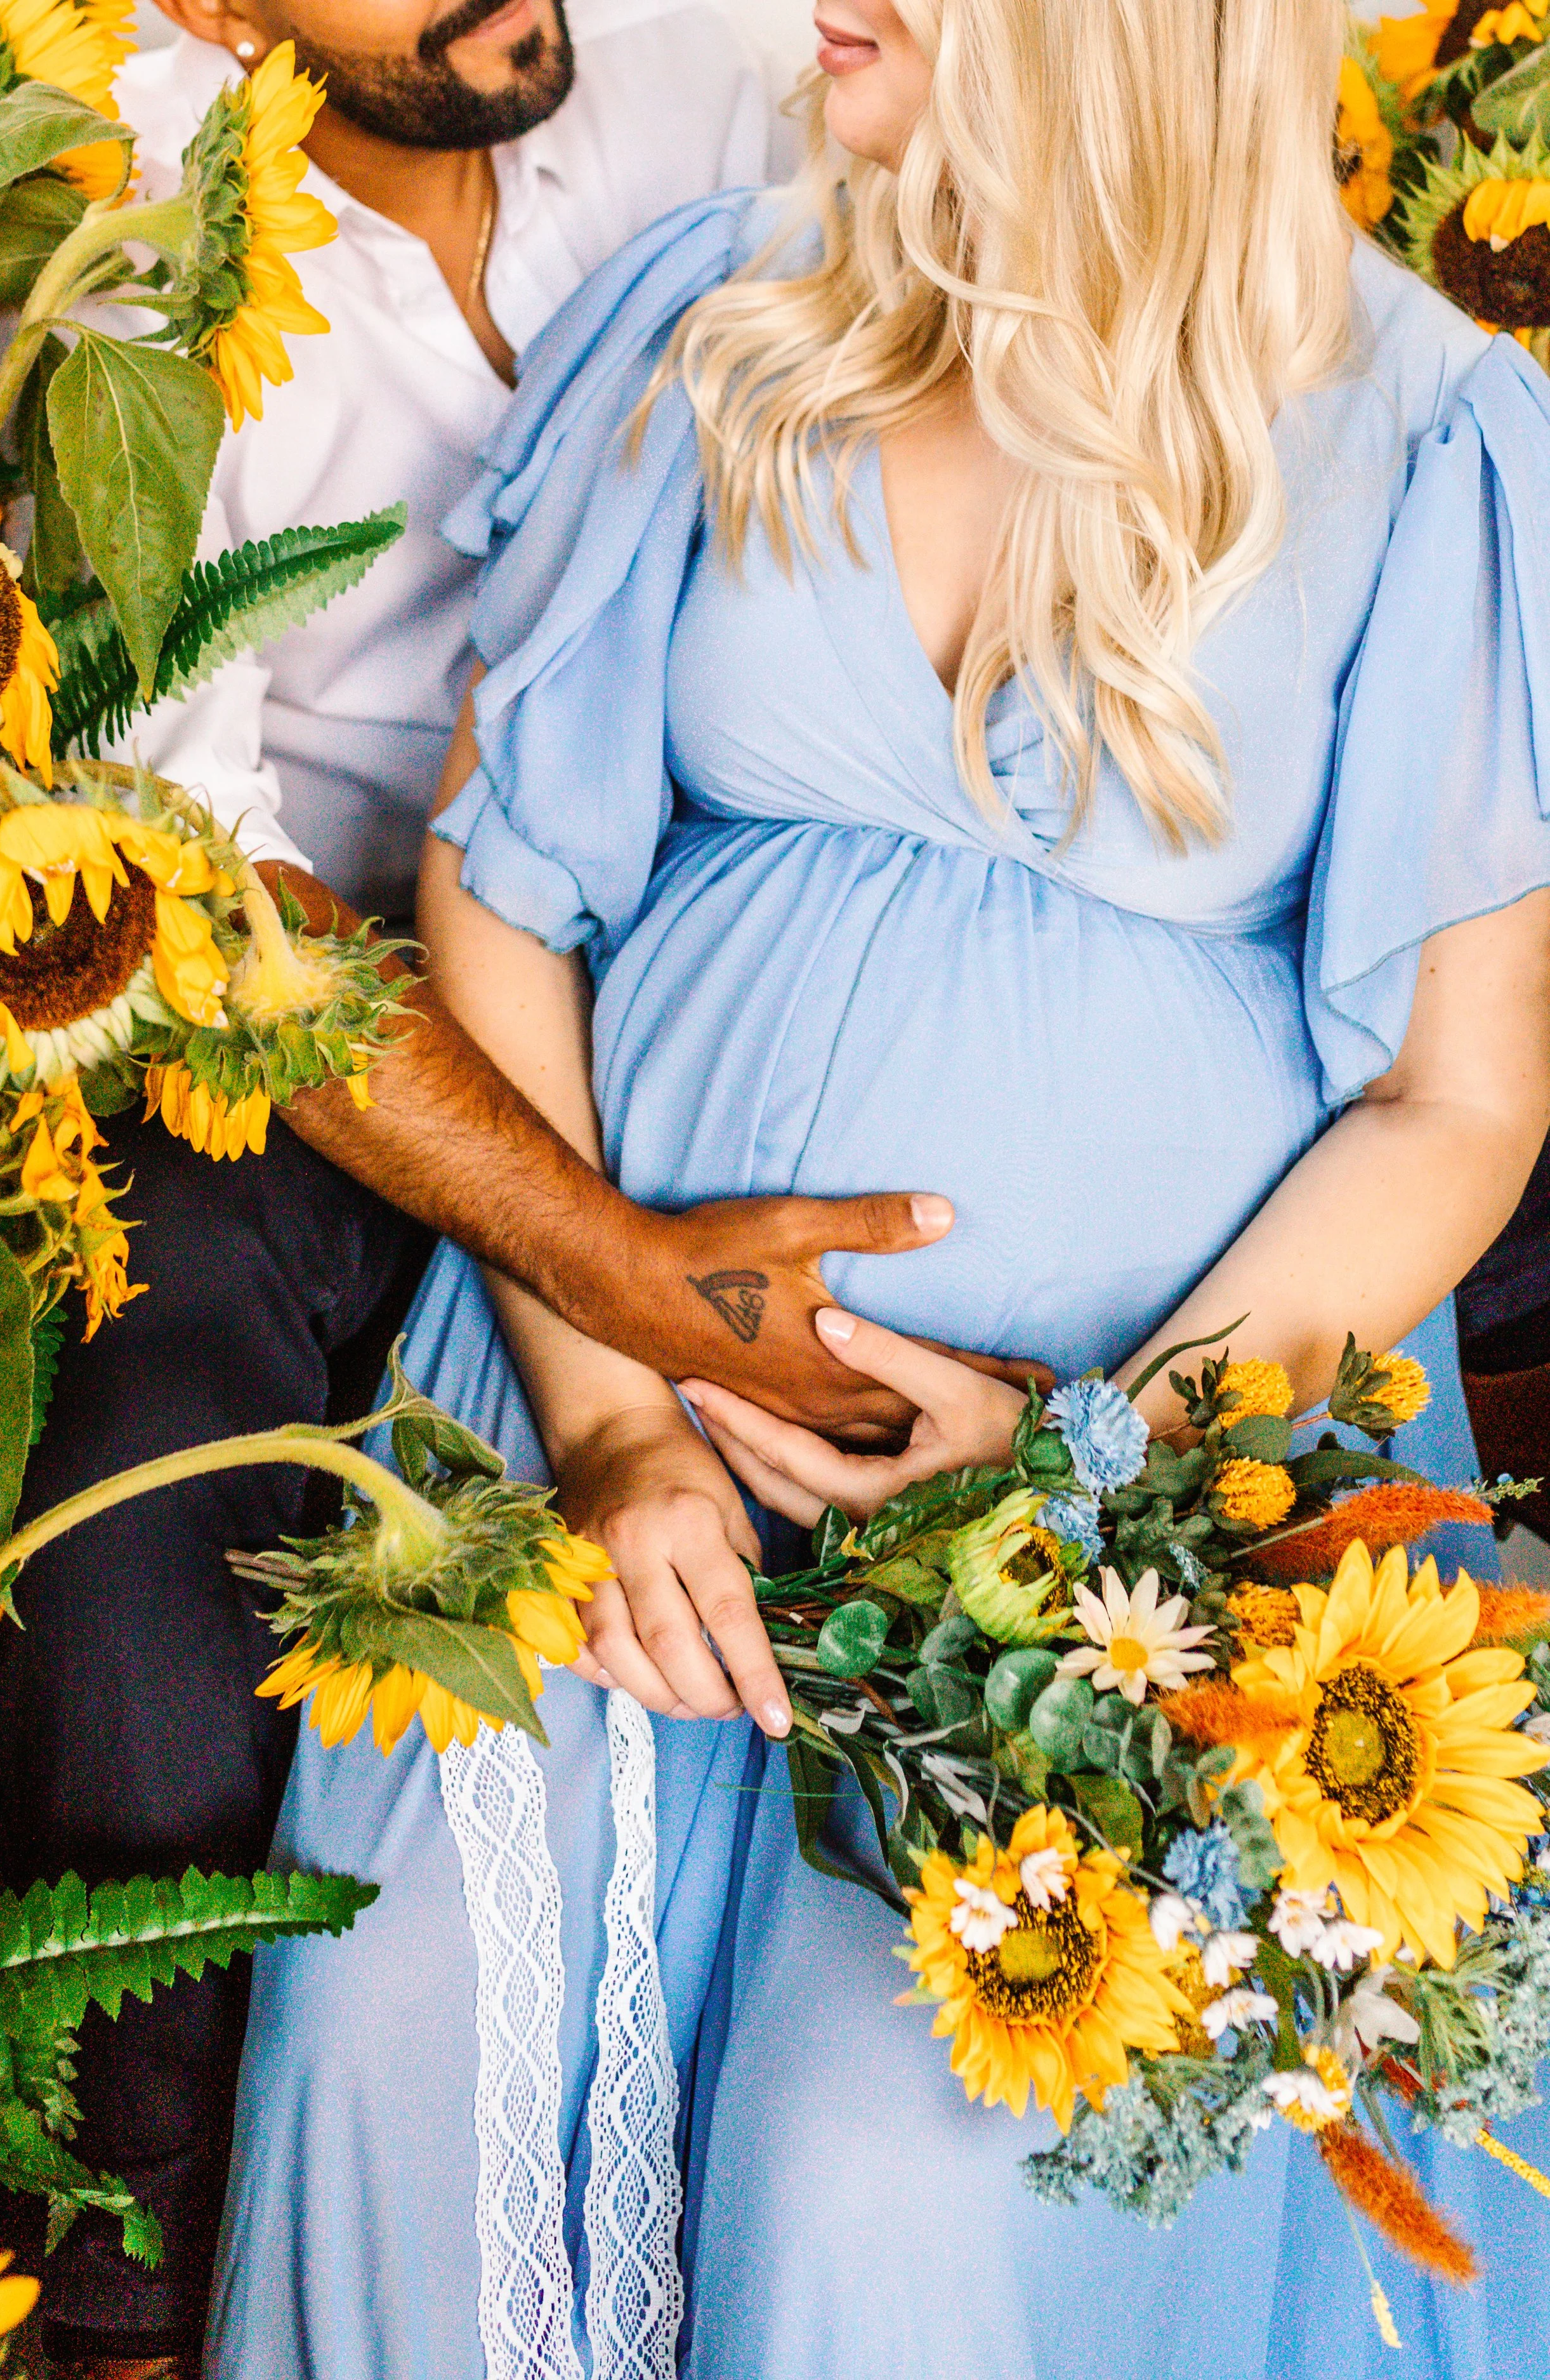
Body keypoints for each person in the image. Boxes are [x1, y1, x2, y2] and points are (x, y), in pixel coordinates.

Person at [212, 0, 1550, 2374]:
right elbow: (499, 895)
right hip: (600, 1407)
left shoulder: (1421, 427)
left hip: (1133, 1529)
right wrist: (618, 1412)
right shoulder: (732, 312)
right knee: (406, 2054)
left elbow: (1461, 1103)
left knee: (886, 2201)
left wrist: (1093, 1471)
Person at [0, 6, 1034, 2374]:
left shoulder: (683, 59)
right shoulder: (101, 247)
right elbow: (205, 900)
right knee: (140, 1582)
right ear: (208, 16)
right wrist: (619, 1282)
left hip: (734, 921)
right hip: (295, 1032)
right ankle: (113, 2271)